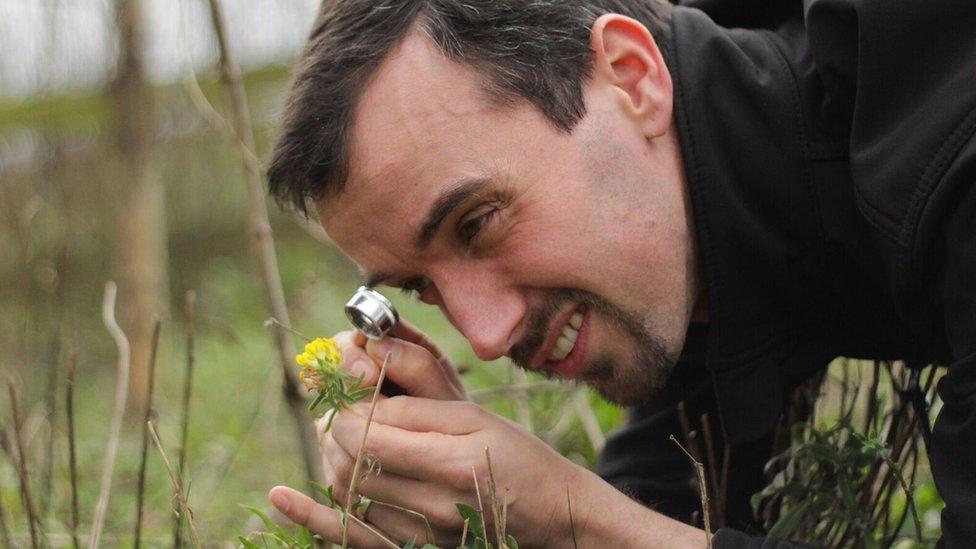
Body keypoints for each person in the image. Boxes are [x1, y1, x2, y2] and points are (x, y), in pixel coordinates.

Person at [261, 0, 976, 546]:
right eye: (420, 287)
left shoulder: (948, 127)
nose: (484, 336)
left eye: (476, 223)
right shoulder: (681, 237)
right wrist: (480, 511)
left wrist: (577, 521)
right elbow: (660, 498)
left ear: (633, 79)